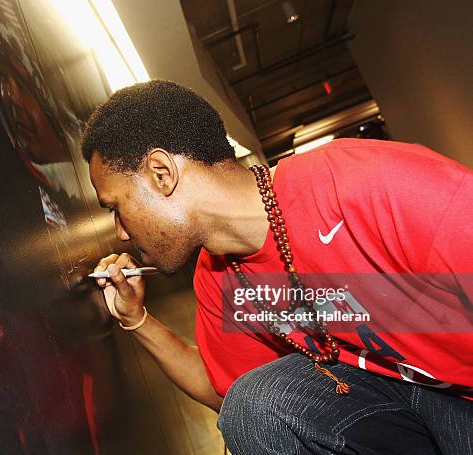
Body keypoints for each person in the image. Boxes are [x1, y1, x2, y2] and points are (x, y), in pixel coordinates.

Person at [81, 80, 472, 454]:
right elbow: (228, 394)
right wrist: (136, 319)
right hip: (401, 398)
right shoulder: (220, 276)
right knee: (254, 406)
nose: (119, 232)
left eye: (116, 206)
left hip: (463, 396)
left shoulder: (361, 182)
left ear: (161, 173)